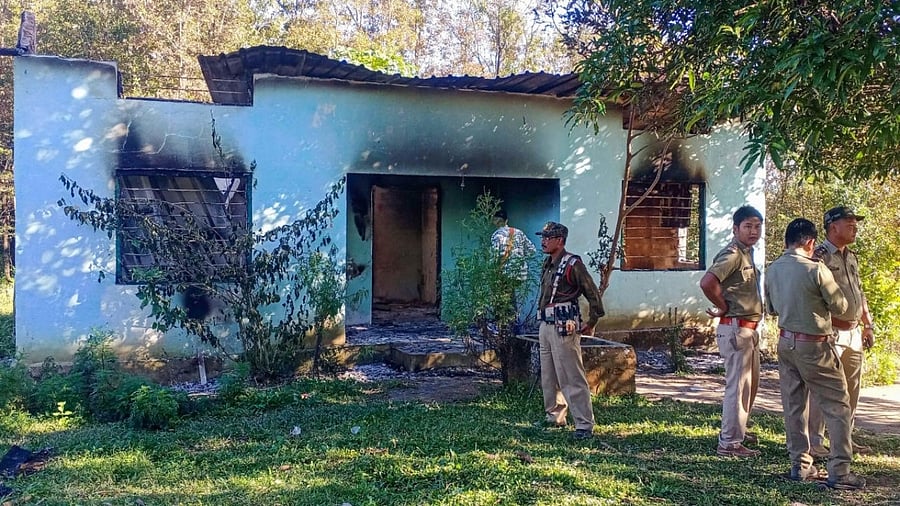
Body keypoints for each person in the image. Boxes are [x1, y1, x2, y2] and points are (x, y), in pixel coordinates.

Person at [765, 218, 865, 490]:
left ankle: (800, 466)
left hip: (786, 343)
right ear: (810, 242)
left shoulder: (772, 269)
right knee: (837, 405)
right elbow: (843, 307)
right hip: (815, 344)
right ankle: (841, 471)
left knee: (794, 405)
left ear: (787, 241)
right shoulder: (816, 269)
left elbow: (771, 308)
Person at [807, 206, 874, 457]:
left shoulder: (851, 256)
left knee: (851, 388)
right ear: (832, 227)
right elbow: (811, 293)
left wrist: (867, 324)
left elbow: (859, 292)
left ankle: (844, 439)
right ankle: (815, 440)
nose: (854, 227)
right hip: (831, 332)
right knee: (824, 388)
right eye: (849, 223)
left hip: (854, 332)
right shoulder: (820, 255)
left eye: (855, 223)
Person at [699, 205, 764, 457]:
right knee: (738, 388)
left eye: (757, 226)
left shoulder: (748, 254)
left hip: (749, 329)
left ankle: (739, 431)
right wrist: (723, 306)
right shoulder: (733, 254)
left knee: (750, 386)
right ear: (735, 228)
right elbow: (707, 282)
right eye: (748, 226)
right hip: (736, 328)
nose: (753, 231)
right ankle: (729, 443)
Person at [534, 221, 604, 439]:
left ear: (560, 241)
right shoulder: (548, 263)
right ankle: (555, 415)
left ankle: (584, 424)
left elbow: (592, 293)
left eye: (549, 237)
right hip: (545, 325)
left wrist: (592, 321)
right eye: (543, 237)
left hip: (564, 326)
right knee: (549, 374)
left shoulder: (573, 264)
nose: (544, 241)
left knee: (571, 375)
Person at [491, 209, 536, 281]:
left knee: (504, 291)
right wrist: (520, 258)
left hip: (505, 273)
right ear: (506, 221)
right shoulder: (519, 232)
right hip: (521, 274)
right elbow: (532, 250)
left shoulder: (496, 235)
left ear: (494, 221)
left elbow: (495, 256)